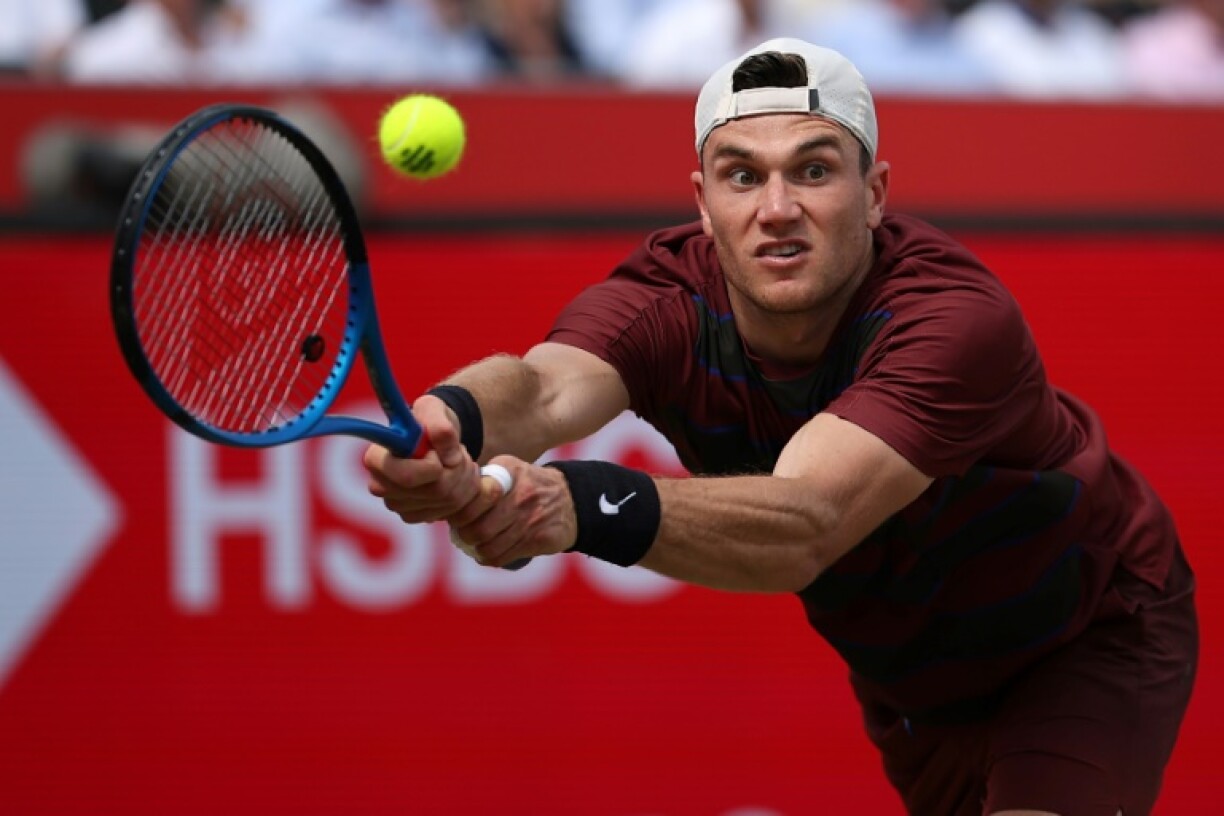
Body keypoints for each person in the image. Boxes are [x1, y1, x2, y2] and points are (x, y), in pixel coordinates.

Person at [362, 37, 1198, 815]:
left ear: (874, 196)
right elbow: (541, 391)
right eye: (740, 175)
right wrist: (451, 422)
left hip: (1086, 630)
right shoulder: (664, 300)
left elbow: (807, 521)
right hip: (912, 686)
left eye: (813, 171)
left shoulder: (952, 321)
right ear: (702, 203)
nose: (777, 208)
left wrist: (577, 504)